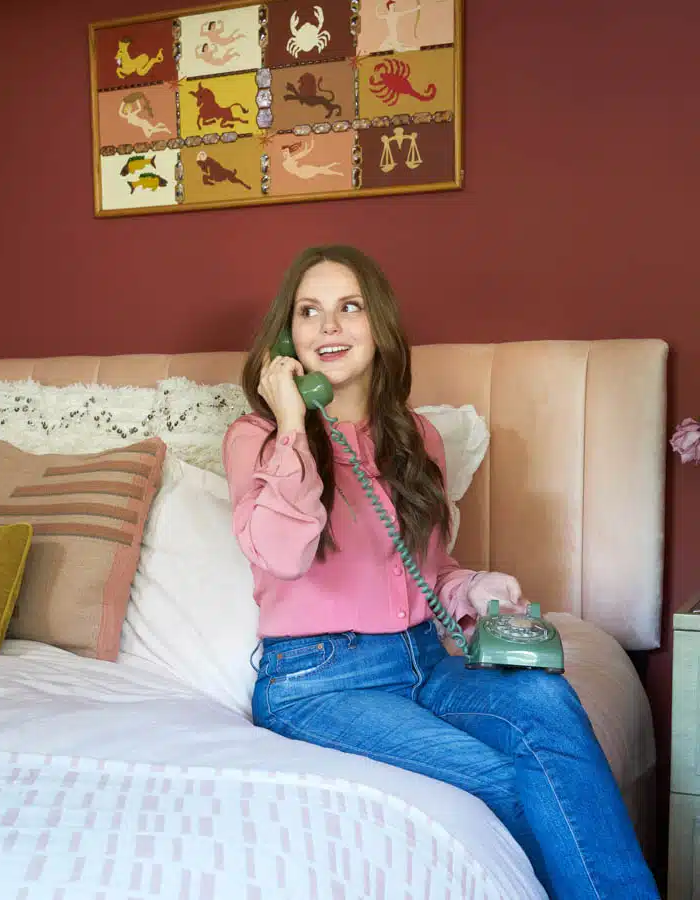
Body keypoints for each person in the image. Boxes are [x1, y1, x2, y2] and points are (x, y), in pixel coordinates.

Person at [221, 244, 659, 899]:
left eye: (350, 308)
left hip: (429, 657)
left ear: (382, 328)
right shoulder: (258, 437)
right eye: (309, 312)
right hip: (319, 682)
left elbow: (424, 570)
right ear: (288, 337)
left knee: (548, 703)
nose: (329, 326)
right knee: (506, 780)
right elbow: (281, 555)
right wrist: (291, 423)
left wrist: (470, 588)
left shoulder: (416, 436)